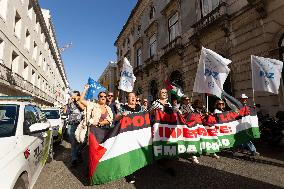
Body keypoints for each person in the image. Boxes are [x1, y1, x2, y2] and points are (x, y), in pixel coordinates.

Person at [115, 92, 145, 184]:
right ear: (127, 99)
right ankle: (130, 173)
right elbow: (116, 118)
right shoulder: (123, 108)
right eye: (130, 97)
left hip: (138, 134)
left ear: (136, 98)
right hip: (126, 135)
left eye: (134, 96)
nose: (132, 98)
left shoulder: (141, 108)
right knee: (128, 154)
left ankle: (135, 169)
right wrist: (121, 115)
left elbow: (146, 117)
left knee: (136, 153)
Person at [66, 91, 85, 167]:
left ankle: (78, 152)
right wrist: (67, 104)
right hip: (71, 125)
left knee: (82, 141)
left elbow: (83, 109)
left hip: (79, 125)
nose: (72, 96)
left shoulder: (80, 102)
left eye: (74, 95)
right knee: (73, 143)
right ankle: (74, 159)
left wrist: (77, 100)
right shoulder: (70, 103)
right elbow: (65, 112)